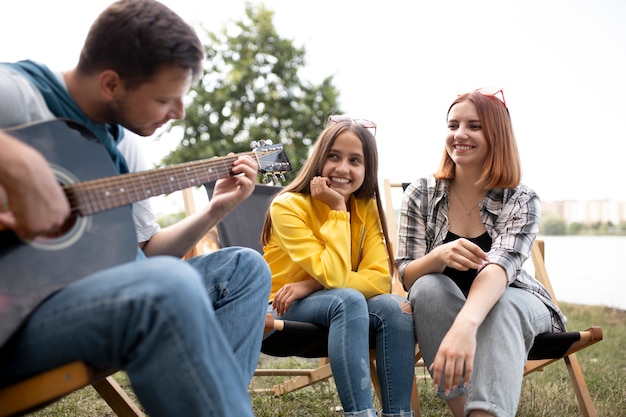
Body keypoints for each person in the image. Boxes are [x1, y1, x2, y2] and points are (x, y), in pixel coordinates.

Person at [0, 1, 271, 416]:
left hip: (93, 298)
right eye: (165, 99)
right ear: (111, 84)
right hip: (15, 319)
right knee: (162, 288)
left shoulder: (125, 144)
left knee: (244, 269)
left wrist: (217, 209)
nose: (178, 113)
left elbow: (147, 256)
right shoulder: (20, 96)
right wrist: (18, 164)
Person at [395, 88, 567, 417]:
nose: (460, 134)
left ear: (496, 135)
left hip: (515, 301)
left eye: (474, 126)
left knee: (503, 304)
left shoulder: (520, 198)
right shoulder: (421, 193)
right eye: (453, 125)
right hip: (444, 305)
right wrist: (439, 256)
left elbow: (499, 268)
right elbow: (407, 275)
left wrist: (465, 326)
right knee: (428, 287)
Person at [261, 116, 416, 417]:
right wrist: (337, 210)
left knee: (395, 308)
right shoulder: (288, 206)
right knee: (348, 299)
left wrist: (310, 284)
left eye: (355, 160)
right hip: (280, 308)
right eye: (334, 156)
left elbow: (380, 280)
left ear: (366, 169)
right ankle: (360, 414)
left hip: (332, 302)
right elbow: (334, 275)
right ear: (320, 159)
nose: (343, 168)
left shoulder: (367, 207)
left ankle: (399, 414)